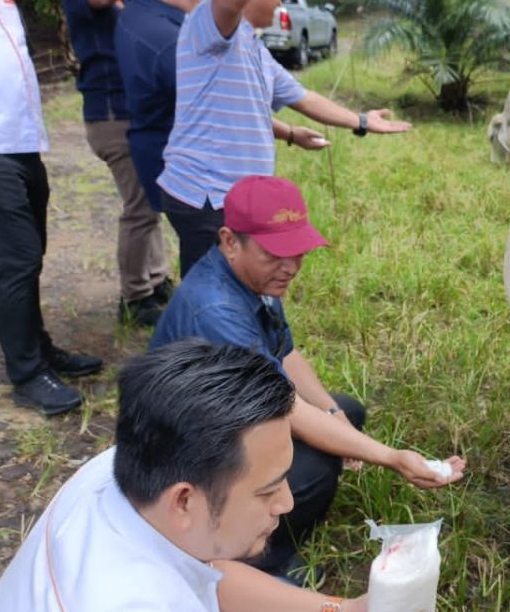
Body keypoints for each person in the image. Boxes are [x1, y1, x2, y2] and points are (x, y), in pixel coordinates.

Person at [150, 175, 465, 579]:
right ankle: (248, 560)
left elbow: (287, 354)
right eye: (275, 254)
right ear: (230, 241)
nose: (292, 267)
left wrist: (333, 412)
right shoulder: (216, 310)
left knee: (347, 411)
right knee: (311, 471)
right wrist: (391, 457)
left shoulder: (254, 281)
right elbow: (288, 408)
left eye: (298, 252)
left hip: (227, 416)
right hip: (183, 454)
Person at [0, 339, 367, 611]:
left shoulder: (126, 470)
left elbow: (207, 577)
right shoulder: (134, 599)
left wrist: (343, 610)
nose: (287, 502)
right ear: (184, 501)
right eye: (267, 491)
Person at [158, 0, 411, 277]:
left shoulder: (250, 45)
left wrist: (361, 121)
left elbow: (302, 97)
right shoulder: (207, 25)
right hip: (207, 196)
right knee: (214, 298)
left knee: (236, 289)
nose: (281, 3)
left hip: (228, 196)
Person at [0, 0, 101, 416]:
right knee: (17, 259)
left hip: (19, 140)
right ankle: (26, 374)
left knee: (32, 252)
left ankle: (39, 349)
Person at [113, 0, 331, 217]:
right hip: (192, 178)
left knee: (144, 224)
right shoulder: (171, 37)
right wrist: (287, 132)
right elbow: (224, 107)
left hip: (167, 157)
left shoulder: (143, 18)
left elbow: (289, 94)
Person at [61, 0, 172, 326]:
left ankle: (155, 280)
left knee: (151, 201)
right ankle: (135, 295)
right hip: (112, 116)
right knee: (140, 206)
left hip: (138, 113)